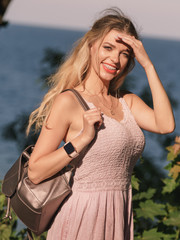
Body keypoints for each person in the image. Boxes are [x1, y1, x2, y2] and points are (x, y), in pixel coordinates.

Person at [27, 8, 175, 240]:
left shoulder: (127, 101)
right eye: (108, 47)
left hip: (119, 214)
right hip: (81, 216)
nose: (115, 59)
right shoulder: (69, 101)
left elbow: (166, 125)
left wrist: (148, 65)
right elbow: (35, 172)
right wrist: (81, 140)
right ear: (91, 46)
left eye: (125, 53)